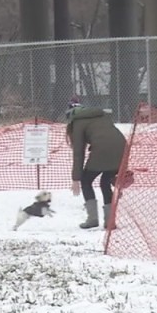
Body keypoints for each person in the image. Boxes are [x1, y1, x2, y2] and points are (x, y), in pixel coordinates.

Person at [65, 97, 127, 229]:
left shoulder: (78, 122)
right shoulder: (101, 115)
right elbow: (109, 135)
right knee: (105, 182)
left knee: (86, 181)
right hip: (122, 147)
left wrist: (76, 178)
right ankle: (110, 221)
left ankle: (92, 219)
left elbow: (78, 152)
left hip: (102, 150)